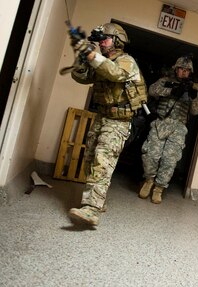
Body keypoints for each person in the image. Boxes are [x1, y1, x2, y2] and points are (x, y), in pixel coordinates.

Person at [67, 23, 148, 226]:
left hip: (119, 122)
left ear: (118, 41)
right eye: (100, 40)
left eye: (106, 39)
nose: (102, 43)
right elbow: (80, 76)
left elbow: (114, 73)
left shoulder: (126, 61)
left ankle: (91, 209)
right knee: (89, 158)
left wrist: (93, 56)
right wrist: (83, 54)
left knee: (102, 161)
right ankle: (97, 201)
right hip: (101, 116)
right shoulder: (99, 60)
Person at [138, 55, 198, 204]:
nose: (184, 72)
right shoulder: (165, 81)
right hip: (160, 122)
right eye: (181, 69)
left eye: (187, 70)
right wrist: (172, 91)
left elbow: (196, 111)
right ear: (176, 69)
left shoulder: (193, 88)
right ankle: (149, 181)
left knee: (170, 160)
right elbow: (152, 91)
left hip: (178, 128)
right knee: (150, 155)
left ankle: (159, 188)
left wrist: (193, 96)